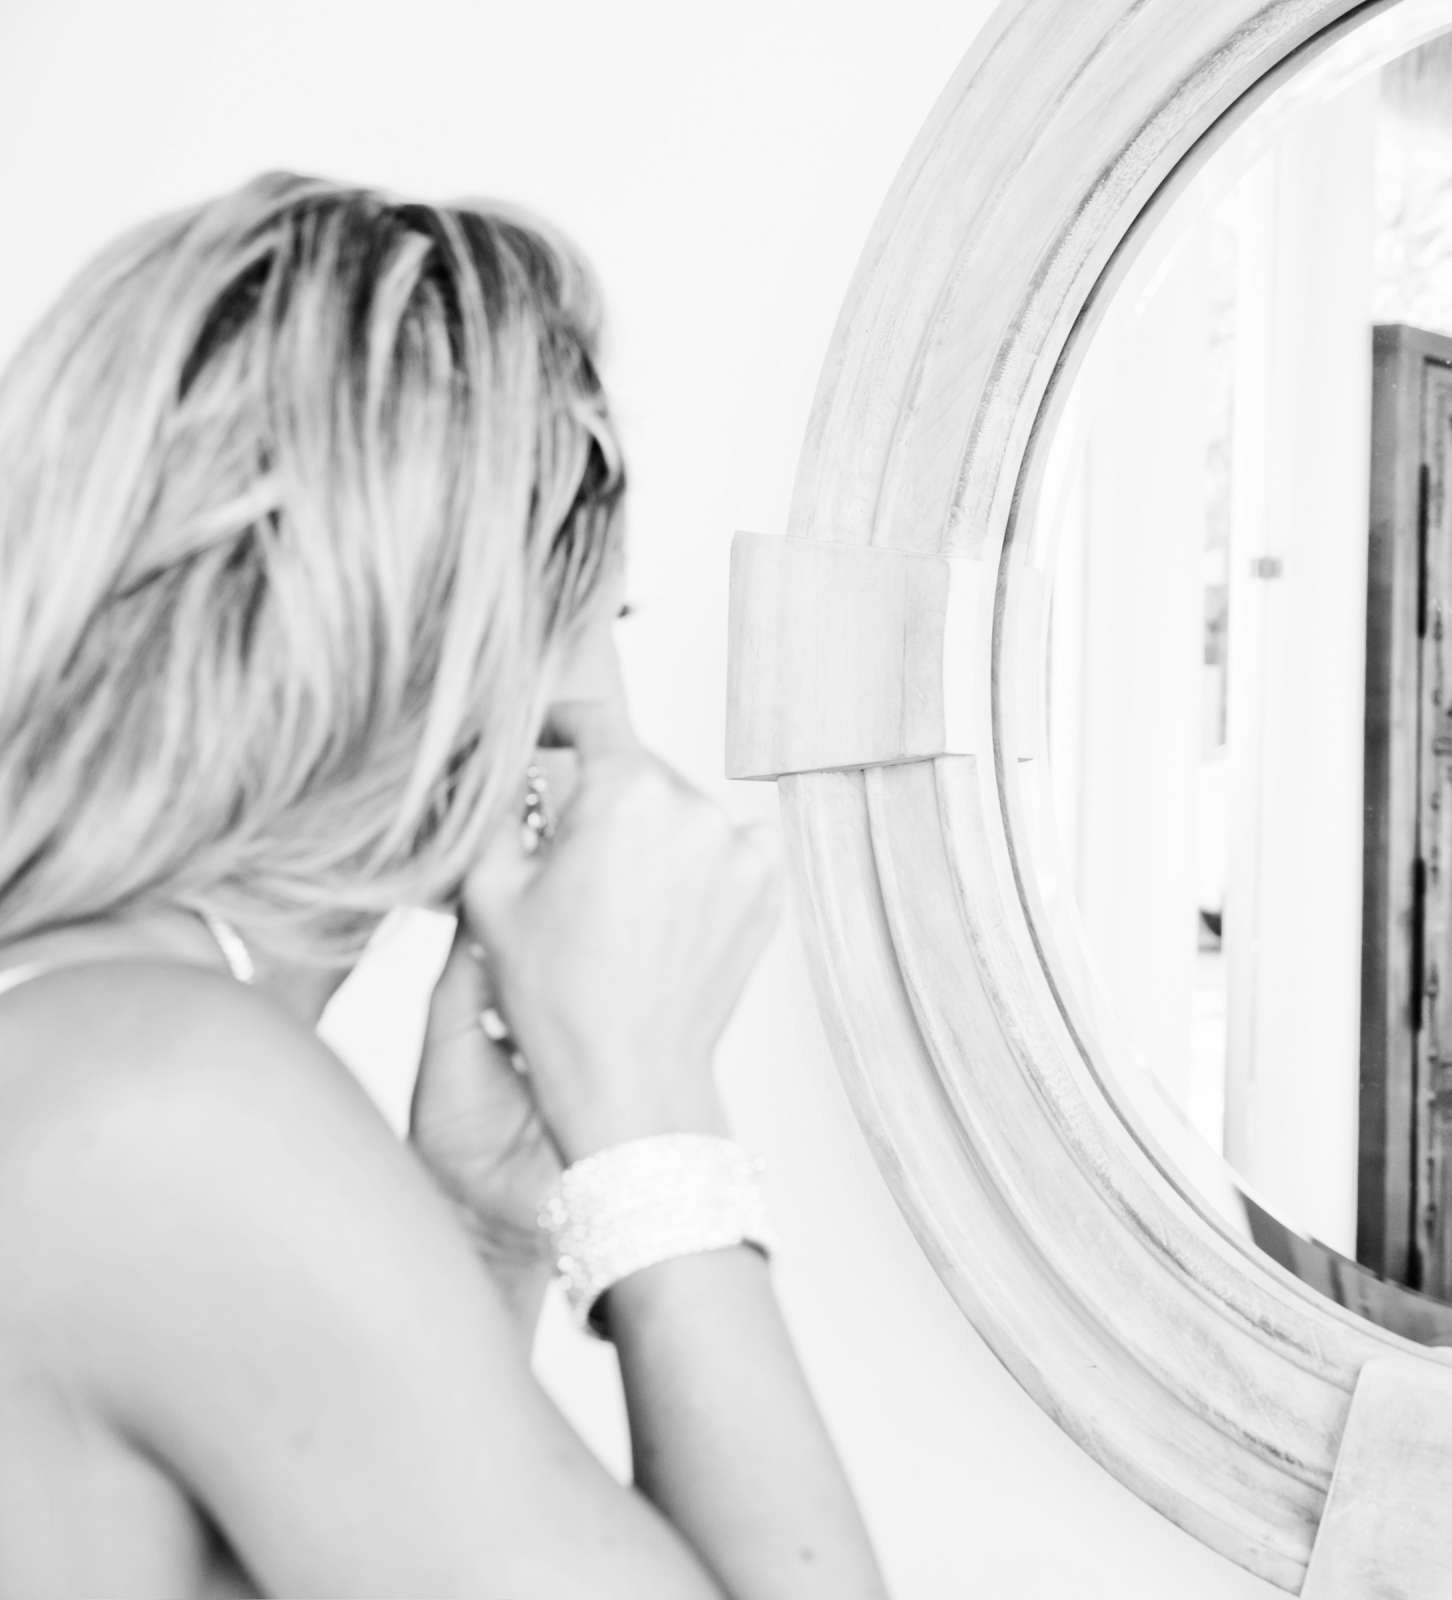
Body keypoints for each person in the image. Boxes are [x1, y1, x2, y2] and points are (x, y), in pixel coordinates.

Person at [0, 175, 885, 1595]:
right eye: (600, 620)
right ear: (472, 649)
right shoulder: (171, 1098)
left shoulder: (88, 1029)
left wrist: (480, 1224)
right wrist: (648, 1114)